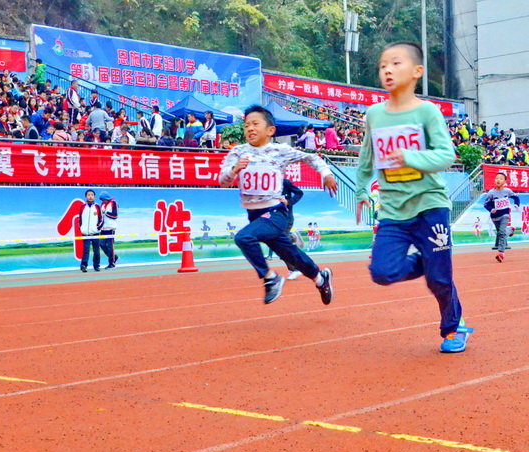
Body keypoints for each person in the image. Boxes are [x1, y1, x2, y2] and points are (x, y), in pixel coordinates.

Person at [355, 41, 469, 353]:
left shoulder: (427, 112)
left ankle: (453, 328)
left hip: (430, 206)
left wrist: (410, 157)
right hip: (393, 211)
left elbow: (446, 155)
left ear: (417, 71)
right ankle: (430, 263)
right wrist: (362, 189)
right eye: (382, 65)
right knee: (382, 272)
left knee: (439, 282)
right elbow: (366, 159)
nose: (387, 70)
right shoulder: (374, 115)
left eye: (395, 63)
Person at [219, 104, 338, 304]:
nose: (250, 128)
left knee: (243, 237)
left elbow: (311, 157)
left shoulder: (279, 150)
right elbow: (223, 181)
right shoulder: (238, 152)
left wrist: (326, 174)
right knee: (291, 254)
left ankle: (270, 278)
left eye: (255, 124)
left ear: (270, 130)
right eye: (247, 125)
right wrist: (234, 170)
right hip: (255, 215)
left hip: (275, 212)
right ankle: (320, 279)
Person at [483, 171, 520, 262]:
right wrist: (491, 209)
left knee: (502, 232)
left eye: (500, 179)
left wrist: (516, 205)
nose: (498, 180)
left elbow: (516, 197)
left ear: (505, 181)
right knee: (500, 232)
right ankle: (511, 229)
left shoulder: (507, 191)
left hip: (505, 214)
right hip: (495, 216)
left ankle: (501, 253)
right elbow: (486, 204)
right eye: (496, 178)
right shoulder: (491, 193)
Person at [79, 189, 102, 272]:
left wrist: (97, 228)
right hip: (85, 234)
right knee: (86, 250)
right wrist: (82, 229)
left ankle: (96, 266)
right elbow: (80, 220)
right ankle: (83, 266)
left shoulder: (97, 207)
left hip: (95, 233)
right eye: (88, 195)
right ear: (86, 197)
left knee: (96, 251)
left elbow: (101, 219)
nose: (90, 196)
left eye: (92, 195)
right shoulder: (82, 207)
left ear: (94, 197)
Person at [99, 191, 120, 268]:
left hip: (111, 227)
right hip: (103, 228)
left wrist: (106, 213)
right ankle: (115, 257)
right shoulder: (103, 204)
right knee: (101, 244)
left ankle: (112, 263)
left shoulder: (113, 203)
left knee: (110, 245)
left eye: (103, 199)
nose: (103, 201)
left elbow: (116, 215)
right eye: (101, 199)